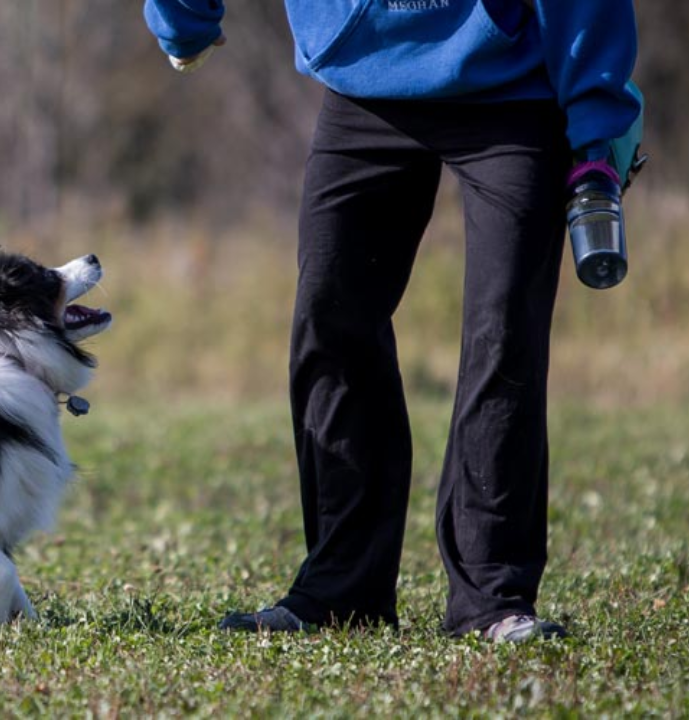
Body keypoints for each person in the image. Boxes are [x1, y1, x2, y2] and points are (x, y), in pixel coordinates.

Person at [143, 0, 641, 640]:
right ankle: (341, 591)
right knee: (330, 320)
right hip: (363, 80)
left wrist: (595, 123)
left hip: (510, 82)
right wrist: (183, 15)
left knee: (504, 336)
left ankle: (491, 599)